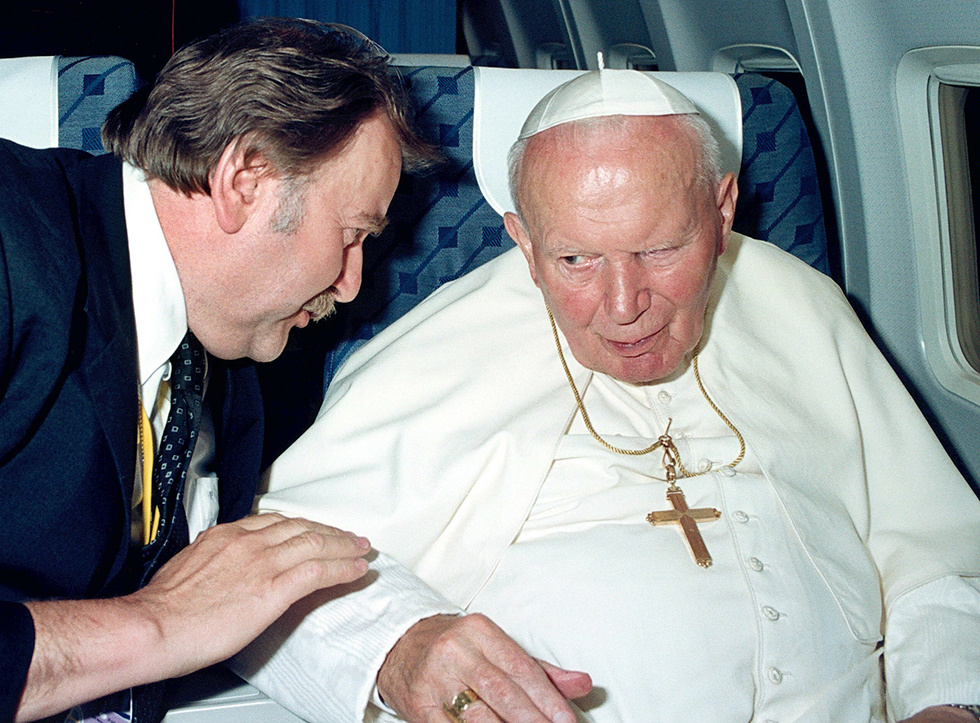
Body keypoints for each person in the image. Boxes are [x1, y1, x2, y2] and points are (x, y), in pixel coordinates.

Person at [240, 69, 980, 723]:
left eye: (660, 249)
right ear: (523, 245)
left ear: (722, 213)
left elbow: (937, 561)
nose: (624, 304)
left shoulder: (806, 309)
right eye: (574, 259)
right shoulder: (438, 350)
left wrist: (949, 701)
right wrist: (402, 648)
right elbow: (261, 579)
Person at [0, 18, 436, 723]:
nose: (354, 284)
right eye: (352, 233)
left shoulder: (223, 371)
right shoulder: (10, 242)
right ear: (246, 178)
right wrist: (155, 626)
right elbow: (180, 612)